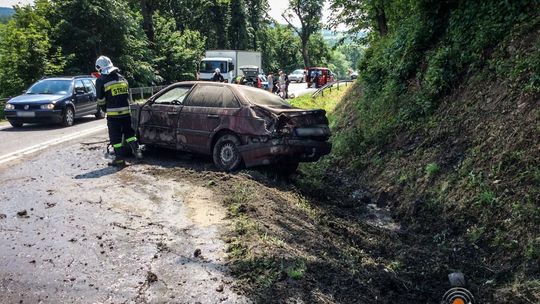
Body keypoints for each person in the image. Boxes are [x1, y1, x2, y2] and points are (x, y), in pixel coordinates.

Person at [95, 55, 142, 167]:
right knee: (129, 133)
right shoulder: (122, 78)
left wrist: (104, 109)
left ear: (99, 68)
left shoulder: (101, 80)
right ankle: (138, 153)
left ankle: (120, 160)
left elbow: (100, 99)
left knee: (115, 138)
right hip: (126, 112)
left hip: (113, 115)